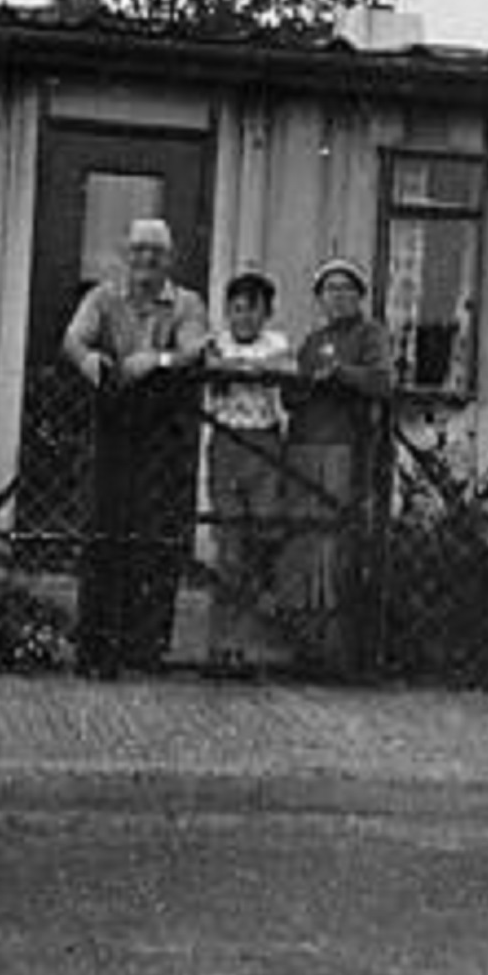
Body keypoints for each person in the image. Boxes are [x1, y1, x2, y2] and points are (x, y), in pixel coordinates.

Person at [62, 217, 209, 677]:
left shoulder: (187, 303)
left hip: (163, 432)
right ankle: (95, 649)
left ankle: (145, 649)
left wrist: (157, 359)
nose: (147, 259)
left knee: (154, 539)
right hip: (111, 424)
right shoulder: (103, 296)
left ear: (170, 260)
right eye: (140, 249)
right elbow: (73, 338)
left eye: (157, 252)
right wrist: (90, 360)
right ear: (127, 254)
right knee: (102, 535)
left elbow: (193, 349)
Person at [277, 257, 392, 670]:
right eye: (330, 288)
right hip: (304, 446)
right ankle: (301, 642)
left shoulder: (371, 333)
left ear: (360, 295)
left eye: (346, 288)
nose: (338, 295)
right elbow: (292, 395)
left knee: (334, 543)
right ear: (319, 298)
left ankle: (334, 649)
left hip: (344, 449)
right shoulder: (312, 340)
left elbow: (381, 381)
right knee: (302, 541)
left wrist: (340, 373)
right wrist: (306, 382)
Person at [201, 270, 296, 677]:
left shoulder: (276, 344)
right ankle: (221, 646)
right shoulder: (215, 342)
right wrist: (236, 366)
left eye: (252, 310)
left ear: (266, 314)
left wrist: (238, 367)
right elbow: (212, 366)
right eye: (236, 309)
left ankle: (249, 642)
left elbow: (279, 366)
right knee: (230, 546)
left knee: (263, 538)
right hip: (227, 443)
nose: (243, 318)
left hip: (265, 444)